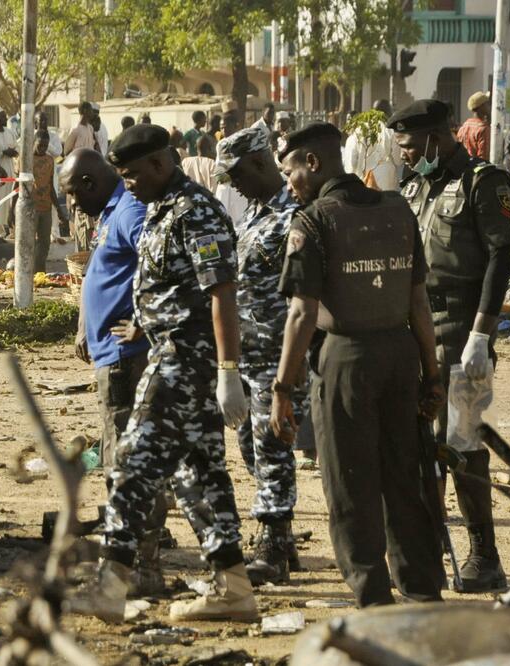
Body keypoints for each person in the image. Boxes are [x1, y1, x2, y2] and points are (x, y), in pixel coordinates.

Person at [79, 124, 254, 623]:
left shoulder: (196, 212)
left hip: (187, 360)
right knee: (199, 474)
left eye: (133, 174)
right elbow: (173, 288)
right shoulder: (161, 209)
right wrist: (147, 320)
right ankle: (233, 588)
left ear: (161, 163)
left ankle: (110, 584)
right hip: (169, 348)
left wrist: (227, 371)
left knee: (133, 458)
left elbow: (221, 293)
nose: (127, 183)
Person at [270, 121, 445, 607]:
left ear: (314, 163)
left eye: (290, 172)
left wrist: (282, 390)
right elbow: (419, 304)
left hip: (346, 360)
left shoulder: (312, 221)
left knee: (350, 484)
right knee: (404, 477)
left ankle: (373, 596)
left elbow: (302, 313)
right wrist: (431, 375)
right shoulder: (398, 208)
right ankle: (422, 590)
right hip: (400, 355)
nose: (288, 184)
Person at [390, 99, 510, 593]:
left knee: (463, 445)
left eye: (407, 146)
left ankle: (485, 555)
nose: (403, 155)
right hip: (418, 323)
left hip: (464, 325)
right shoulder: (416, 185)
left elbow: (500, 257)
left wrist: (483, 333)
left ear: (435, 139)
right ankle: (428, 552)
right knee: (421, 443)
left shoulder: (483, 182)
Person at [61, 148, 166, 594]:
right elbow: (105, 275)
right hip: (110, 354)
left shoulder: (130, 211)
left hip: (128, 358)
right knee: (116, 457)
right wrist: (89, 323)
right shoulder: (110, 213)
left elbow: (161, 265)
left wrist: (142, 320)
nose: (69, 204)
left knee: (128, 462)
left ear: (89, 182)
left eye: (70, 194)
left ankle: (140, 566)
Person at [215, 126, 305, 585]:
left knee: (272, 447)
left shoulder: (297, 216)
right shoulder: (253, 214)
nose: (232, 184)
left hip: (280, 356)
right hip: (249, 356)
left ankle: (272, 542)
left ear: (257, 163)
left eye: (234, 174)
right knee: (252, 449)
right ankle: (283, 535)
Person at [20, 130, 67, 269]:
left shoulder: (49, 160)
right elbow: (18, 185)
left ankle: (40, 271)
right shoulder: (26, 160)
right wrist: (12, 210)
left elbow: (51, 186)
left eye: (45, 146)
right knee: (29, 242)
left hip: (46, 207)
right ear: (34, 142)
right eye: (40, 145)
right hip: (30, 208)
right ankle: (29, 272)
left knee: (44, 243)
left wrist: (59, 209)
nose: (42, 149)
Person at [343, 99, 403, 191]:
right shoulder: (390, 131)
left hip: (362, 181)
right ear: (387, 112)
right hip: (386, 181)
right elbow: (398, 160)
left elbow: (351, 163)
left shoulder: (358, 131)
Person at [0, 109, 18, 235]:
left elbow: (16, 148)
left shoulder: (10, 132)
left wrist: (12, 152)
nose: (6, 119)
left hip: (11, 171)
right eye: (2, 117)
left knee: (10, 200)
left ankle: (9, 226)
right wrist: (4, 152)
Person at [458, 91, 490, 161]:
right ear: (481, 107)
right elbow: (483, 157)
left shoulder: (464, 127)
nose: (489, 106)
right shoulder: (483, 128)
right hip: (477, 168)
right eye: (487, 104)